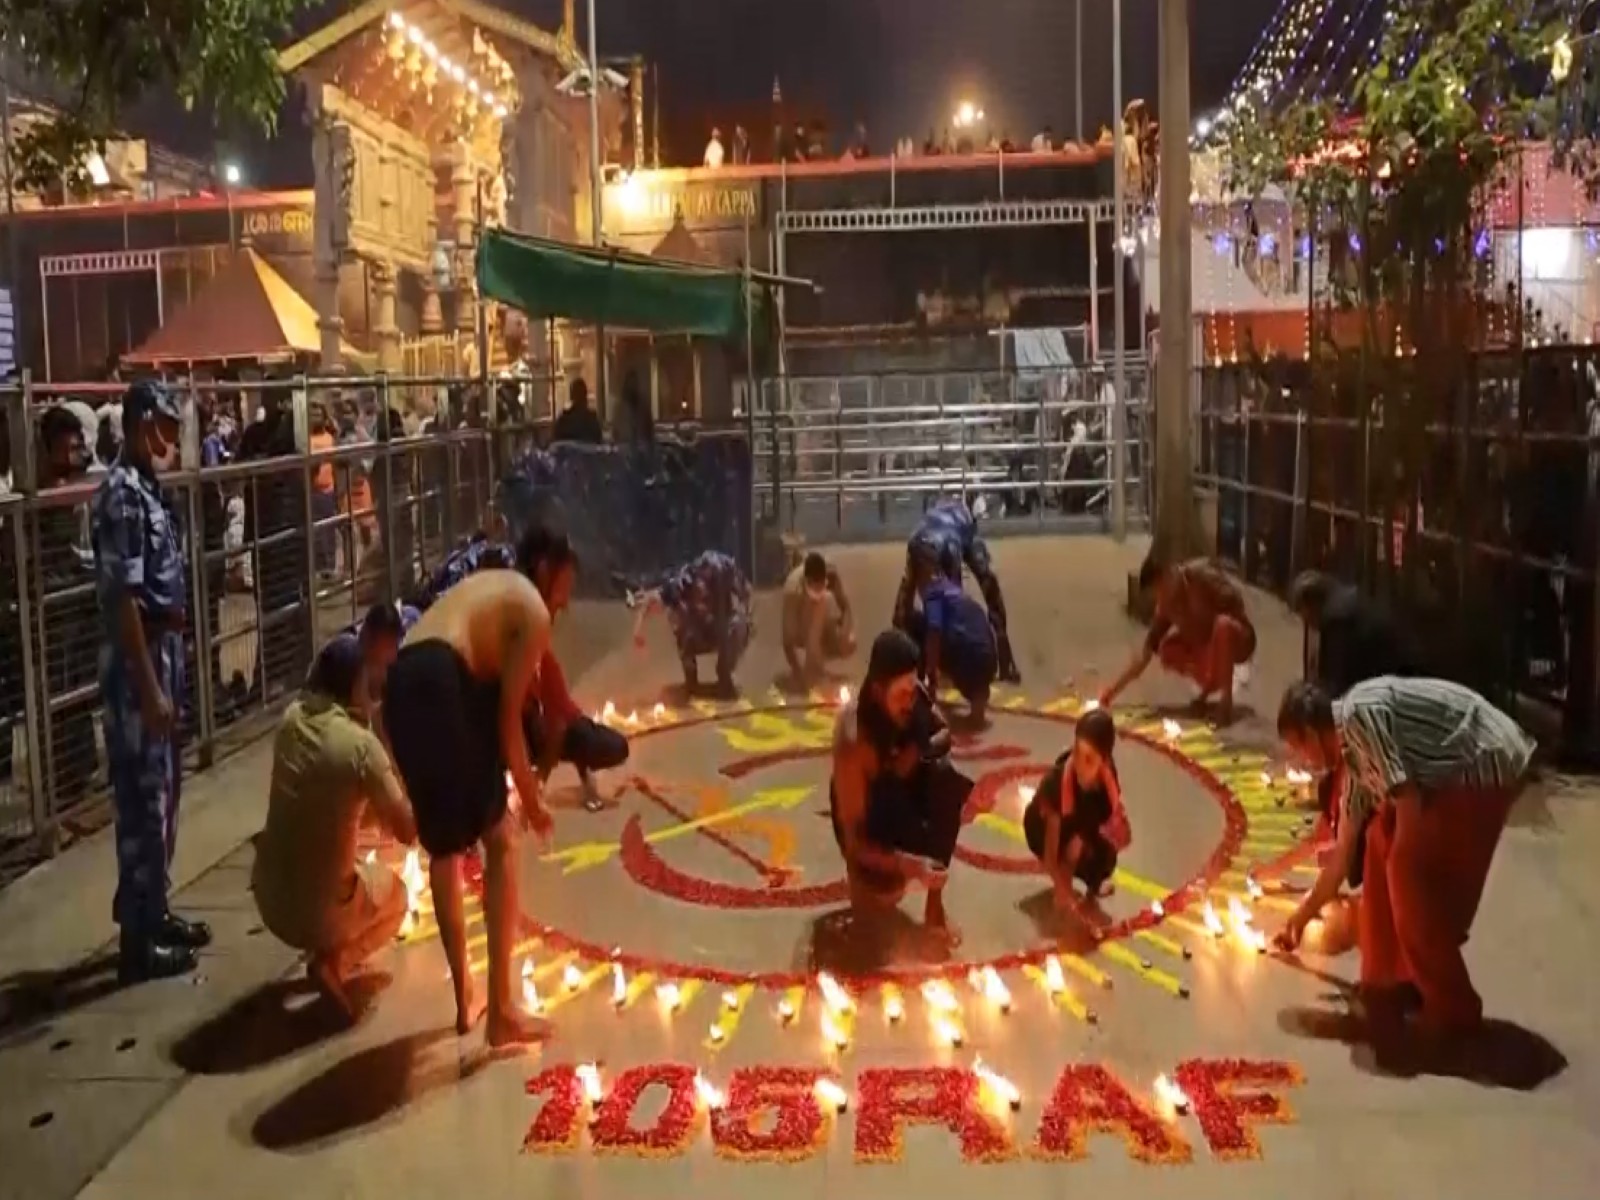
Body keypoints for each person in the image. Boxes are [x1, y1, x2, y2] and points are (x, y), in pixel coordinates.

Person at [1274, 678, 1534, 1041]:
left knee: (1408, 876)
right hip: (1449, 775)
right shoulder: (1354, 764)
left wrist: (1404, 868)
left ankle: (1452, 1007)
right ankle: (1389, 979)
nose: (1304, 759)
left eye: (1299, 746)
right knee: (1377, 840)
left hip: (1482, 759)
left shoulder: (1358, 717)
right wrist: (1299, 920)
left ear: (1312, 733)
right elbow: (1342, 855)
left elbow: (1408, 802)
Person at [381, 566, 556, 1047]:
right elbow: (508, 722)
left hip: (401, 680)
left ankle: (466, 998)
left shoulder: (495, 598)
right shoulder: (535, 618)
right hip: (440, 674)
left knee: (444, 848)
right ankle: (501, 1012)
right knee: (502, 840)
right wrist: (532, 801)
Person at [91, 381, 212, 983]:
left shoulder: (148, 490)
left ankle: (154, 912)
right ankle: (136, 946)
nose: (171, 438)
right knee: (142, 801)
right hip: (140, 658)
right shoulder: (121, 495)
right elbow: (124, 601)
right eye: (165, 426)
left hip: (165, 649)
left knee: (164, 792)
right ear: (142, 423)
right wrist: (148, 686)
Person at [253, 636, 416, 1018]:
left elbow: (321, 794)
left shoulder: (290, 719)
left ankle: (327, 945)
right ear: (356, 686)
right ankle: (335, 963)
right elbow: (407, 830)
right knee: (398, 898)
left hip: (269, 898)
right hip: (319, 912)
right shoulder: (360, 746)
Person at [830, 630, 970, 947]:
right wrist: (908, 865)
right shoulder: (854, 742)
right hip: (870, 817)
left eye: (912, 690)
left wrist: (916, 751)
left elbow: (944, 731)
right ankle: (864, 896)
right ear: (878, 690)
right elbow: (855, 842)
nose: (910, 701)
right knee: (881, 898)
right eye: (901, 695)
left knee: (945, 779)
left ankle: (934, 907)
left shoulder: (913, 695)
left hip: (902, 795)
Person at [518, 525, 630, 812]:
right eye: (564, 587)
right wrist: (535, 786)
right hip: (492, 727)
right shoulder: (520, 619)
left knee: (604, 742)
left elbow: (561, 712)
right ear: (544, 572)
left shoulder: (537, 632)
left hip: (523, 723)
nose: (565, 602)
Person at [1100, 555, 1256, 724]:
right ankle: (1206, 690)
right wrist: (1113, 690)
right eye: (1157, 593)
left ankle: (1226, 703)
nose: (1162, 596)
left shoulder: (1200, 576)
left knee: (1223, 625)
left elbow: (1235, 607)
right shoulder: (1166, 605)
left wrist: (1211, 625)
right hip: (1208, 648)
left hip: (1238, 638)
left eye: (1162, 588)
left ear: (1170, 574)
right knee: (1169, 649)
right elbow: (1144, 654)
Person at [891, 496, 1021, 683]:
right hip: (941, 541)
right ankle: (932, 663)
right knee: (949, 610)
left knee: (924, 610)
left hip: (931, 539)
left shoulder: (928, 540)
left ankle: (916, 662)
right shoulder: (955, 534)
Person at [1023, 708, 1130, 907]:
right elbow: (1051, 851)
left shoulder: (1108, 782)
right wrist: (1062, 885)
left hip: (1080, 823)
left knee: (1105, 855)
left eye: (1089, 759)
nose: (1080, 764)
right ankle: (1062, 884)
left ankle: (1093, 883)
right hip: (1044, 829)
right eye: (1077, 753)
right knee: (1064, 862)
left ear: (1104, 761)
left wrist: (1081, 839)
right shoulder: (1056, 783)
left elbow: (1107, 821)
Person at [631, 550, 753, 698]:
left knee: (739, 624)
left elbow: (747, 594)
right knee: (678, 619)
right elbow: (652, 599)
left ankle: (724, 675)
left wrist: (744, 615)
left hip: (722, 625)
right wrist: (638, 632)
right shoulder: (682, 583)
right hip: (697, 630)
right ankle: (691, 679)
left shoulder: (725, 573)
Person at [905, 542, 997, 723]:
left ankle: (923, 697)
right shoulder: (953, 589)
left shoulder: (933, 593)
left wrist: (931, 677)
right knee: (964, 634)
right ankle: (977, 702)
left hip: (969, 664)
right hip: (989, 664)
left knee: (915, 623)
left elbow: (934, 631)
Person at [1289, 570, 1416, 699]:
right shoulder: (1345, 602)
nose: (1307, 622)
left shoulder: (1338, 620)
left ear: (1312, 603)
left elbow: (1340, 682)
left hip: (1388, 688)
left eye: (1303, 613)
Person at [307, 601, 419, 721]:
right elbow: (364, 710)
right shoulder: (349, 655)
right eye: (389, 646)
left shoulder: (385, 659)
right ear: (368, 635)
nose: (393, 656)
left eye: (394, 645)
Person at [782, 551, 856, 688]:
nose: (819, 590)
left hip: (818, 615)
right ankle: (813, 666)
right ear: (806, 581)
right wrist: (798, 672)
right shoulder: (793, 590)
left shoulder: (832, 575)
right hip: (800, 618)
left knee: (849, 644)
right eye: (815, 587)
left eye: (822, 585)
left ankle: (816, 662)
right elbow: (787, 641)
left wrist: (844, 634)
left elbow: (845, 607)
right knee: (812, 625)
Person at [552, 378, 603, 445]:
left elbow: (556, 442)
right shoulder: (591, 419)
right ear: (585, 396)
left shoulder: (564, 420)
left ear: (571, 396)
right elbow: (598, 441)